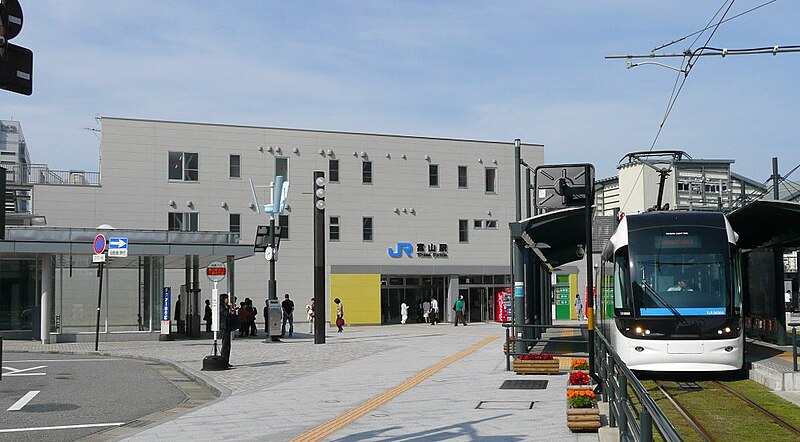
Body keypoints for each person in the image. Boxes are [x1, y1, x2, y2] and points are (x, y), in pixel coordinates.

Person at [219, 293, 233, 369]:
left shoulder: (224, 307)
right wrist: (229, 308)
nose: (227, 300)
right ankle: (224, 361)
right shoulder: (221, 307)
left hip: (226, 327)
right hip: (224, 328)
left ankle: (226, 361)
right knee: (225, 345)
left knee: (227, 345)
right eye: (226, 299)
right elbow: (226, 314)